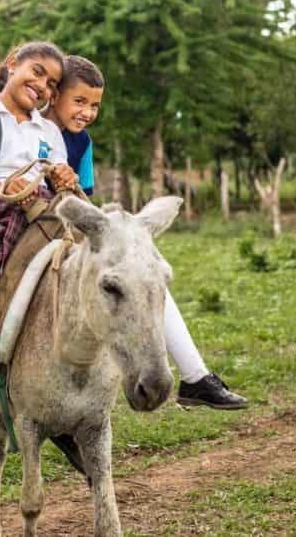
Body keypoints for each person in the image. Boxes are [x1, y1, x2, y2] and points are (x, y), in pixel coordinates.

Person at [43, 55, 248, 409]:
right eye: (79, 101)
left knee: (144, 278)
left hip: (70, 227)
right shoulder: (28, 130)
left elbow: (84, 198)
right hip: (31, 227)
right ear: (54, 95)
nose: (87, 112)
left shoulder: (82, 142)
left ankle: (195, 376)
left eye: (94, 105)